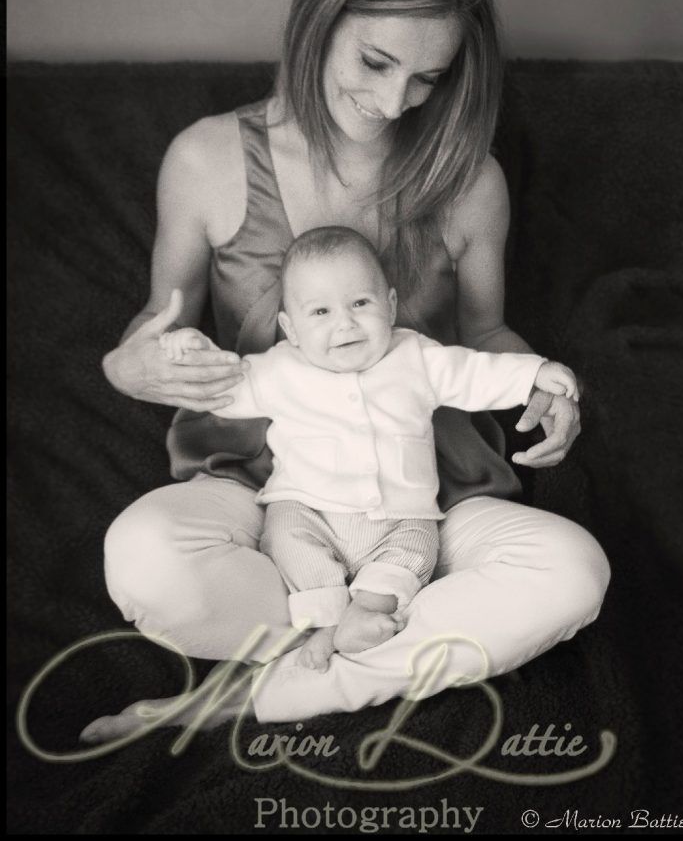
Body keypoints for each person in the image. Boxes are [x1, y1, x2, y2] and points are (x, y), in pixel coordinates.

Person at [81, 0, 609, 743]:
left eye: (428, 77)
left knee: (573, 571)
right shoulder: (207, 159)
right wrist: (128, 365)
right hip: (262, 498)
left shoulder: (469, 180)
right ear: (320, 14)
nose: (396, 101)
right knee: (143, 554)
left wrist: (548, 385)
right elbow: (157, 322)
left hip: (426, 501)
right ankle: (367, 643)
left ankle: (247, 699)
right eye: (374, 61)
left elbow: (484, 338)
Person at [158, 225, 580, 674]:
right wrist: (189, 354)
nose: (344, 323)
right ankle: (324, 620)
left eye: (361, 303)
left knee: (417, 548)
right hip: (308, 509)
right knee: (285, 539)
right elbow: (223, 387)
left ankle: (364, 612)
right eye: (319, 311)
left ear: (392, 306)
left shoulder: (416, 356)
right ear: (290, 328)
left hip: (402, 513)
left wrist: (534, 374)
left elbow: (476, 373)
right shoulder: (278, 369)